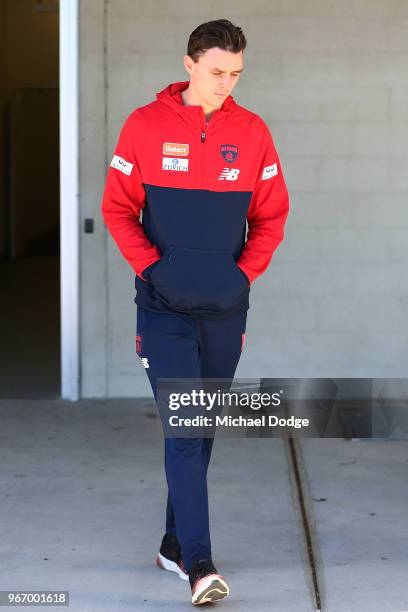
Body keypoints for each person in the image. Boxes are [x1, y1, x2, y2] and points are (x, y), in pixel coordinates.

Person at [101, 18, 289, 606]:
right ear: (188, 65)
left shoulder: (253, 132)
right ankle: (200, 564)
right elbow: (116, 208)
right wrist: (154, 270)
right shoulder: (144, 125)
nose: (225, 84)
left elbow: (272, 217)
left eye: (235, 74)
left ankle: (170, 543)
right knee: (185, 428)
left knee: (201, 430)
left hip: (225, 310)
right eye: (215, 72)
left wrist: (241, 275)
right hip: (163, 309)